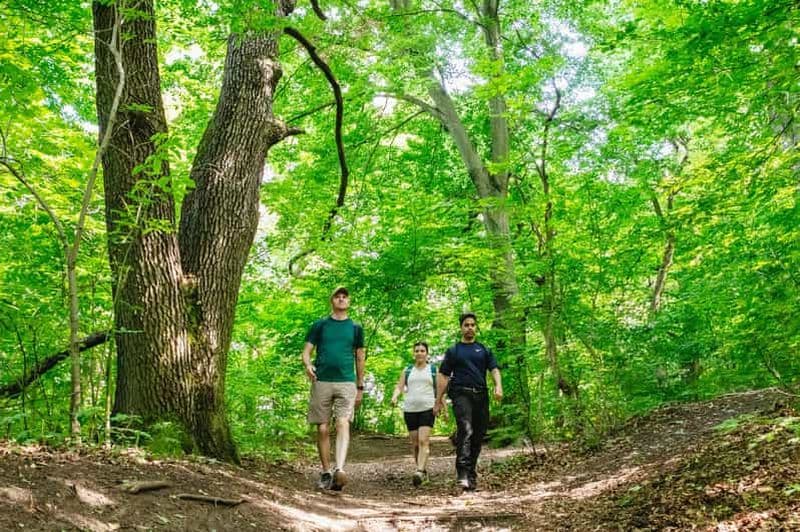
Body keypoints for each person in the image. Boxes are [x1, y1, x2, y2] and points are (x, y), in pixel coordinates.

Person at [302, 287, 366, 491]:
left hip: (346, 382)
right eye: (337, 296)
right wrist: (308, 365)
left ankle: (340, 469)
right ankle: (326, 471)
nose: (341, 299)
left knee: (342, 423)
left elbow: (360, 357)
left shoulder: (356, 328)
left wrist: (360, 386)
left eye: (344, 296)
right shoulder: (320, 325)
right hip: (321, 381)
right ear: (332, 300)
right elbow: (306, 351)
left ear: (349, 301)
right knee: (322, 428)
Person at [433, 312, 502, 491]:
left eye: (472, 325)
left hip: (481, 395)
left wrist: (498, 386)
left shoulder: (484, 350)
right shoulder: (454, 351)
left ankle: (471, 473)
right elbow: (443, 375)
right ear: (461, 328)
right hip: (461, 394)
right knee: (466, 430)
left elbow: (494, 369)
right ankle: (462, 473)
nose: (470, 328)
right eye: (466, 325)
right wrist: (438, 400)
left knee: (478, 435)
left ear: (476, 327)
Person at [390, 342, 438, 487]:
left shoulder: (433, 370)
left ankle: (419, 471)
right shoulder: (407, 370)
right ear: (414, 353)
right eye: (417, 351)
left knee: (424, 441)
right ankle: (422, 471)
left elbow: (439, 389)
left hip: (427, 408)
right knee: (416, 444)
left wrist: (441, 406)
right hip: (410, 409)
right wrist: (394, 397)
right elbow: (399, 386)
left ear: (427, 353)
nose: (419, 353)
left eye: (422, 351)